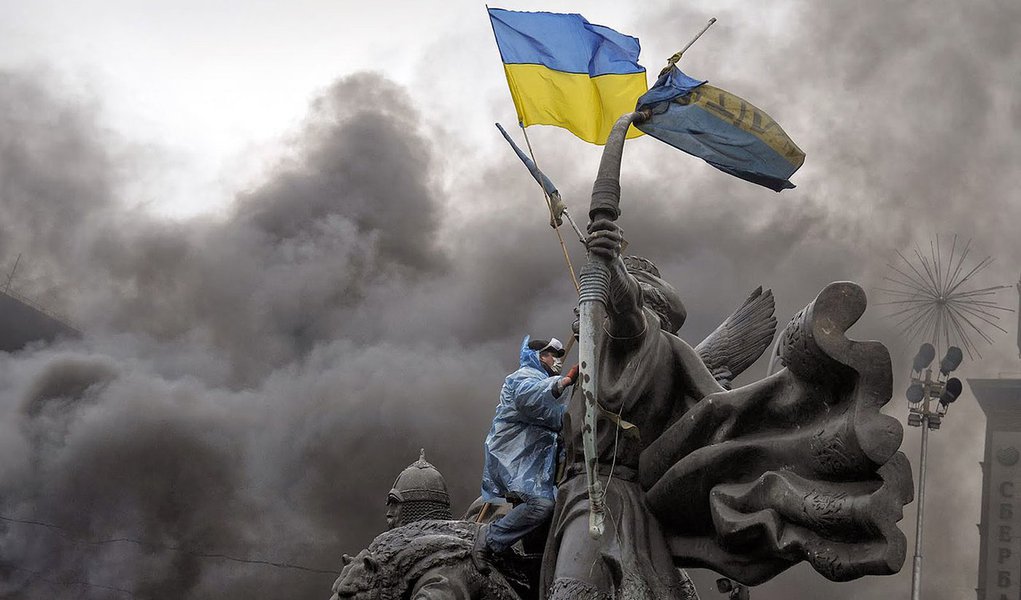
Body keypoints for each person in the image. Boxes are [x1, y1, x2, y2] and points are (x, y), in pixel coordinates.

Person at [540, 219, 718, 599]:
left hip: (600, 500)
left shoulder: (633, 337)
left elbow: (628, 314)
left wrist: (610, 262)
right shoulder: (647, 351)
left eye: (593, 298)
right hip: (615, 502)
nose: (583, 309)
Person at [475, 336, 578, 567]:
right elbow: (530, 398)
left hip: (536, 464)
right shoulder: (522, 378)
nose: (557, 361)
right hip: (514, 456)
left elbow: (559, 419)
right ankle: (489, 538)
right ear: (539, 356)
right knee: (541, 506)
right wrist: (566, 381)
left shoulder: (544, 381)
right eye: (552, 355)